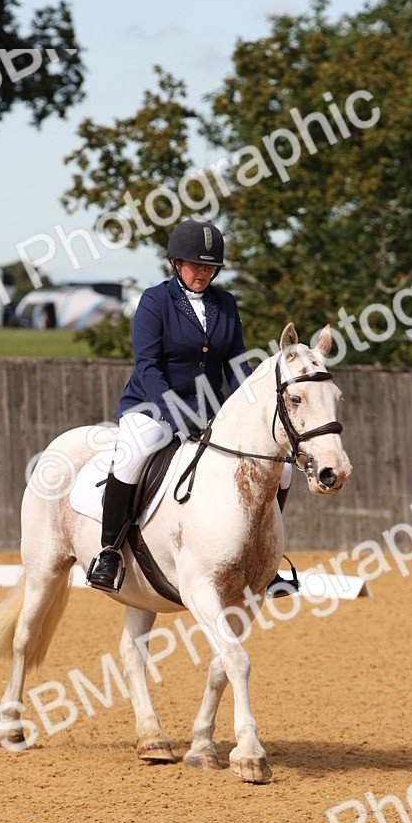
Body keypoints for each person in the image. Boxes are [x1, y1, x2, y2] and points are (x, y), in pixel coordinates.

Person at [86, 217, 292, 592]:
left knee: (283, 466)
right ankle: (109, 550)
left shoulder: (225, 303)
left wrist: (250, 411)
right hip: (153, 404)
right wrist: (178, 415)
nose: (203, 272)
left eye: (210, 266)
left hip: (214, 408)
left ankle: (265, 556)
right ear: (175, 263)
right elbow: (147, 367)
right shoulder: (155, 301)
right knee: (134, 452)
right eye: (196, 264)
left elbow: (236, 366)